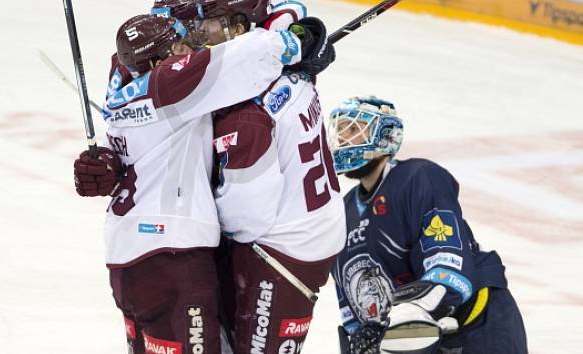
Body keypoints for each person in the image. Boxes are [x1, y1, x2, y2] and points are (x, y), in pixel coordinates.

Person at [72, 2, 335, 353]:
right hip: (179, 252)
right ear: (157, 64)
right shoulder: (182, 86)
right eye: (179, 47)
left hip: (129, 256)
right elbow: (253, 52)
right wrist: (300, 40)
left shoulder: (125, 79)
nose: (190, 46)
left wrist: (110, 160)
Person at [197, 2, 347, 353]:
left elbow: (248, 218)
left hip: (283, 246)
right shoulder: (279, 58)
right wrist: (308, 36)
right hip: (311, 222)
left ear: (237, 27)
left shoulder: (246, 112)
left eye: (211, 23)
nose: (201, 31)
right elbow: (290, 10)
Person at [327, 96, 528, 354]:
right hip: (418, 339)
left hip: (476, 324)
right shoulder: (341, 214)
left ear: (386, 135)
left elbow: (448, 267)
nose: (343, 138)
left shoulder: (418, 178)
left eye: (353, 128)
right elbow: (353, 305)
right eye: (341, 129)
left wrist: (394, 320)